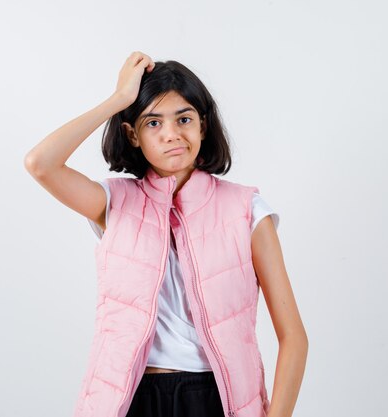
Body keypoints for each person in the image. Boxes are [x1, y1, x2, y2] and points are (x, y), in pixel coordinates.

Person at [24, 51, 308, 417]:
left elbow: (293, 338)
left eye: (184, 118)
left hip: (215, 399)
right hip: (130, 398)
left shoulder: (247, 210)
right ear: (133, 134)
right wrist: (119, 100)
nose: (172, 134)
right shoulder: (114, 202)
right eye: (153, 123)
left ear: (202, 127)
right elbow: (40, 163)